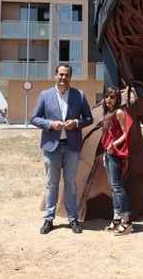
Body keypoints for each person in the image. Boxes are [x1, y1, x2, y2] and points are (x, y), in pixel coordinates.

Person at [30, 64, 93, 234]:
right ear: (55, 75)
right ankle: (49, 218)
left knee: (71, 184)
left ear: (70, 77)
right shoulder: (45, 95)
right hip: (52, 148)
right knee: (52, 184)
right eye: (60, 74)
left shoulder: (79, 95)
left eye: (66, 75)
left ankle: (73, 219)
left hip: (72, 147)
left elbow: (89, 118)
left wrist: (77, 123)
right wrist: (50, 124)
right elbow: (34, 118)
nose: (63, 77)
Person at [99, 86, 133, 236]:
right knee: (113, 187)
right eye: (106, 96)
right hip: (109, 153)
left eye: (112, 97)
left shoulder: (119, 112)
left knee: (117, 187)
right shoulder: (108, 114)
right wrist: (106, 151)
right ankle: (117, 218)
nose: (108, 99)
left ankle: (127, 221)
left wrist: (113, 145)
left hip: (115, 153)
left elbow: (126, 134)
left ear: (117, 99)